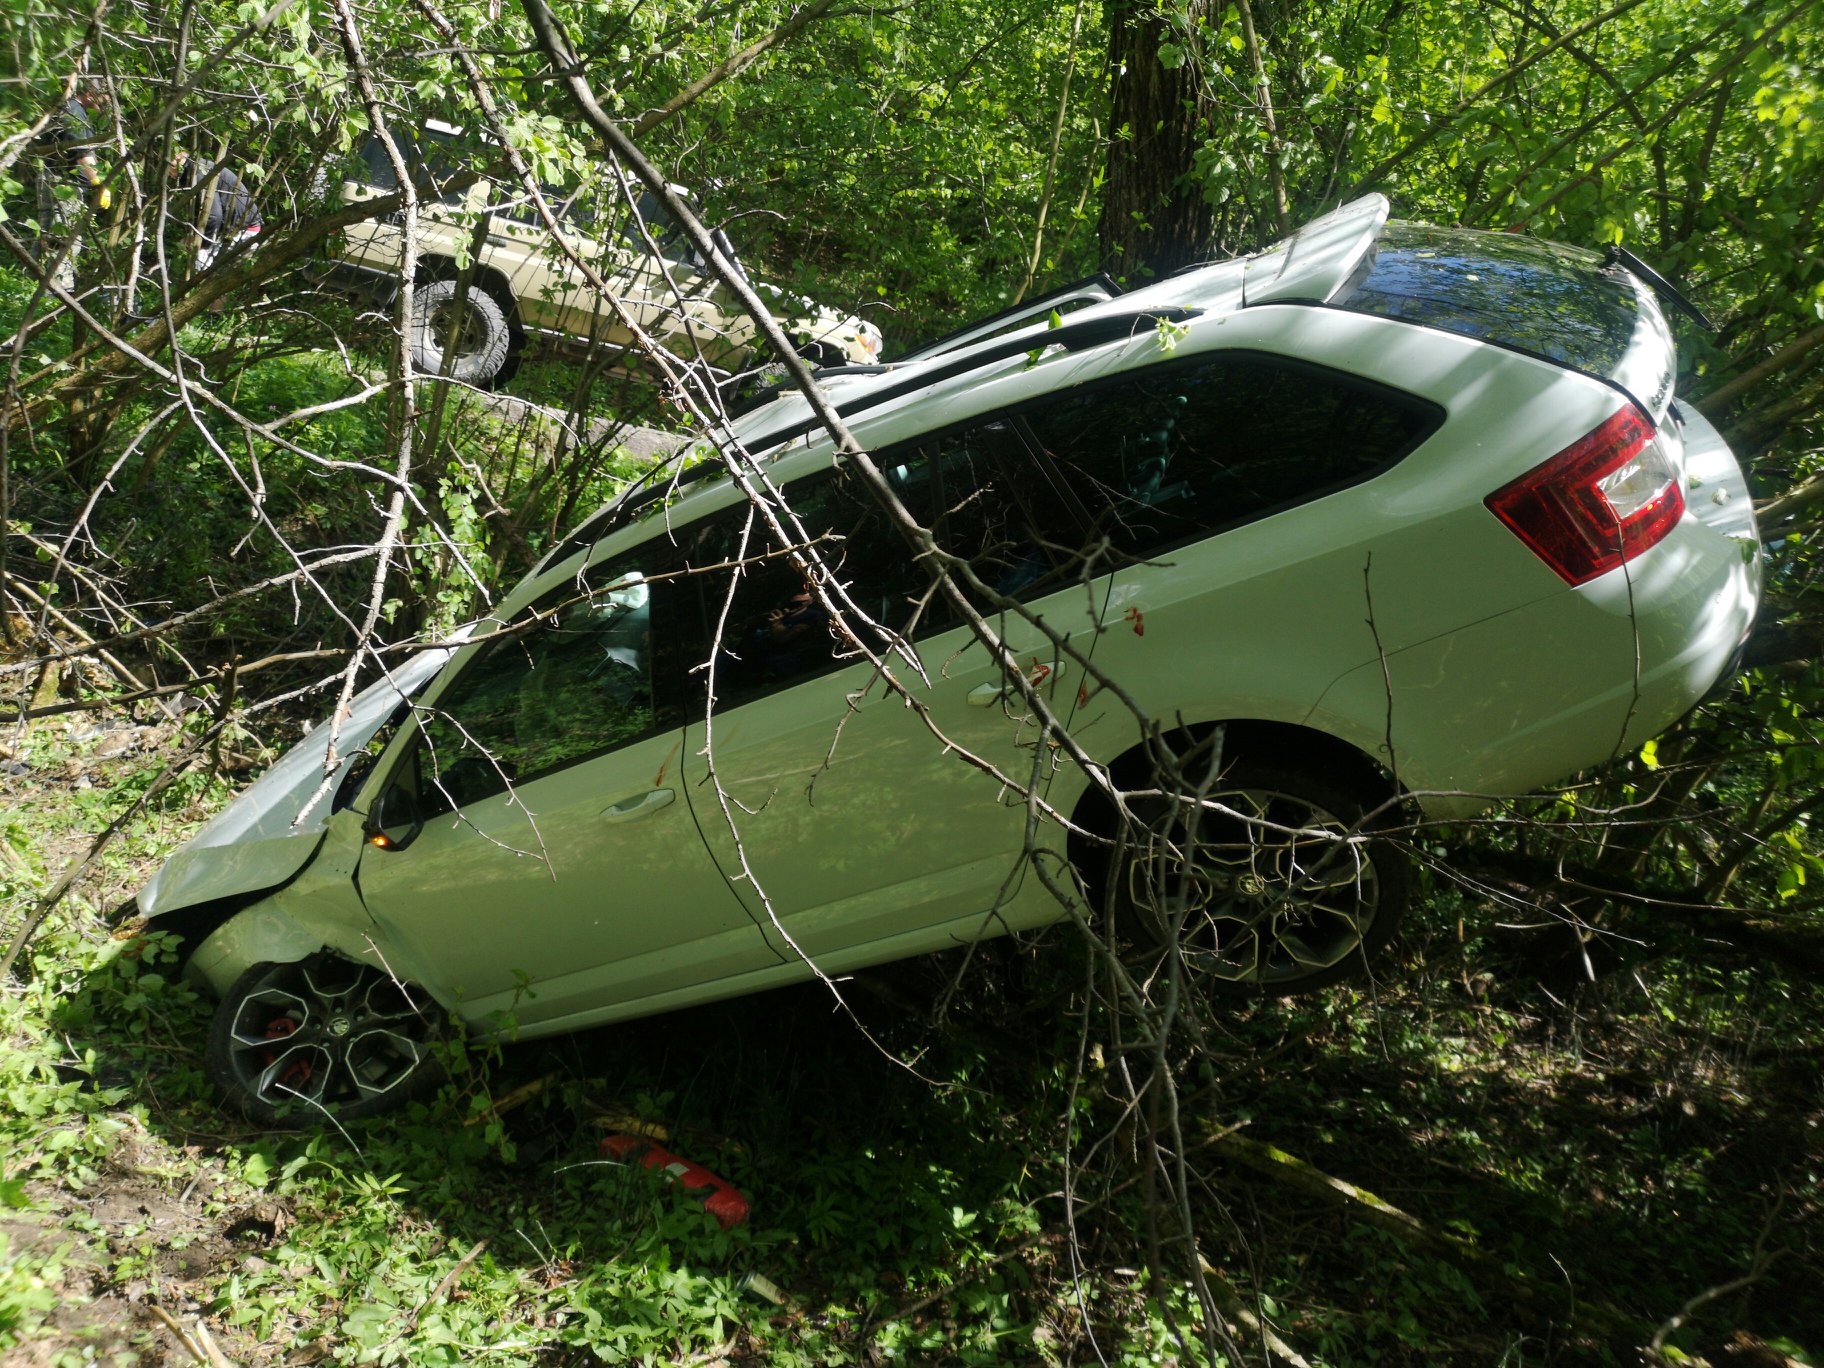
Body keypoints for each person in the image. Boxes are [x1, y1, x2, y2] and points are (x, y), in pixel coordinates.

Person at [32, 79, 111, 291]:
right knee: (63, 238)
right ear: (90, 93)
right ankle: (59, 294)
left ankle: (32, 283)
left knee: (48, 234)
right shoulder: (74, 113)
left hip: (55, 180)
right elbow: (81, 153)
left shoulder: (74, 110)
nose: (106, 102)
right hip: (62, 184)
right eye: (105, 96)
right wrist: (98, 183)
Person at [169, 149, 263, 273]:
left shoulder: (198, 175)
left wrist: (202, 243)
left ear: (177, 159)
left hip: (243, 229)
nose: (167, 174)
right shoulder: (199, 168)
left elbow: (213, 215)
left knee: (205, 268)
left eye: (167, 167)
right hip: (235, 227)